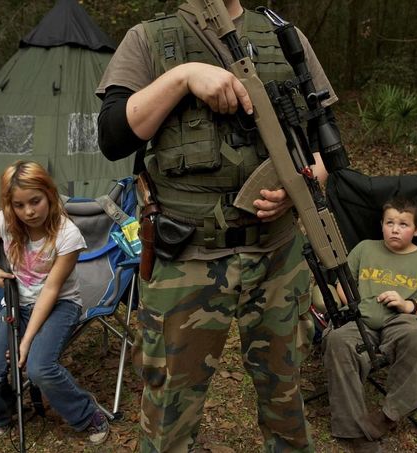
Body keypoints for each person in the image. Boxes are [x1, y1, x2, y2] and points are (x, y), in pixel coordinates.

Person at [96, 1, 342, 451]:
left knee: (286, 398)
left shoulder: (284, 35)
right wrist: (182, 76)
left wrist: (302, 181)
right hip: (185, 259)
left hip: (277, 255)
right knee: (169, 405)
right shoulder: (148, 39)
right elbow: (113, 136)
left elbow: (324, 142)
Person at [0, 161, 110, 445]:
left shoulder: (67, 234)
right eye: (19, 205)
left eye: (35, 201)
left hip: (60, 305)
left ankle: (87, 413)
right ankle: (3, 412)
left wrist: (26, 341)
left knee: (39, 368)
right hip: (16, 304)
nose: (29, 212)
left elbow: (51, 290)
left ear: (49, 194)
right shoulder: (6, 222)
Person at [321, 197, 417, 453]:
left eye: (403, 224)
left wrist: (406, 305)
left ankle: (388, 416)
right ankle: (355, 432)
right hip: (360, 320)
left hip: (403, 320)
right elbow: (341, 284)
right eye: (390, 222)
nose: (395, 229)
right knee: (337, 340)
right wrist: (353, 301)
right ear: (381, 225)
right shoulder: (365, 249)